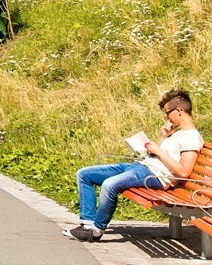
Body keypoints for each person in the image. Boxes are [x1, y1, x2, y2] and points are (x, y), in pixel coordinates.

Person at [66, 89, 203, 242]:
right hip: (140, 167)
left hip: (153, 176)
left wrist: (158, 151)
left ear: (179, 111)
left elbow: (183, 172)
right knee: (84, 174)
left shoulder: (191, 137)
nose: (166, 118)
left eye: (167, 113)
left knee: (109, 185)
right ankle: (87, 225)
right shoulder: (178, 133)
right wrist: (163, 138)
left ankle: (97, 230)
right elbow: (163, 156)